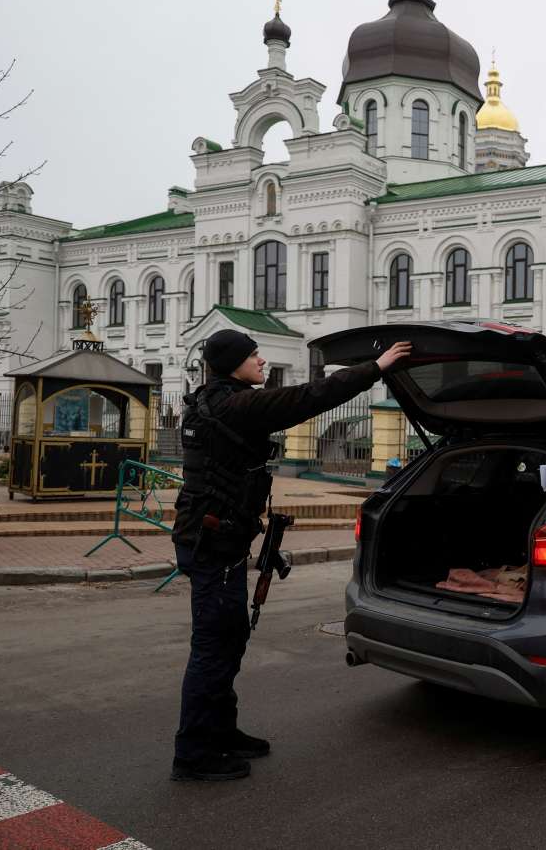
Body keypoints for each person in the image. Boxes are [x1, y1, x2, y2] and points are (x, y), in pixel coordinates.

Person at [170, 329, 411, 782]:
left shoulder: (215, 400)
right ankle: (194, 752)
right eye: (252, 355)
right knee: (214, 647)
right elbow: (309, 397)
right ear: (231, 364)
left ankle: (221, 731)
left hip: (218, 540)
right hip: (213, 543)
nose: (262, 361)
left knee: (231, 637)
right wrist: (375, 369)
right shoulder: (234, 406)